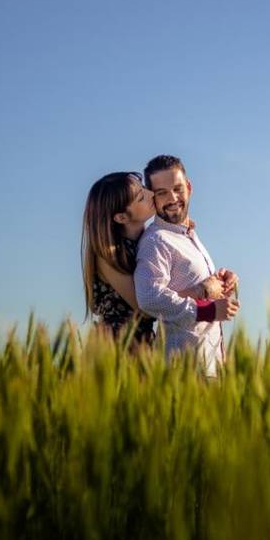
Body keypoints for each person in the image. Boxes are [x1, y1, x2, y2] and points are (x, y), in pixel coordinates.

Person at [80, 171, 225, 345]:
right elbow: (146, 305)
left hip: (144, 342)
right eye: (141, 197)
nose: (151, 194)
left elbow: (164, 289)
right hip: (118, 346)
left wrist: (217, 280)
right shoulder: (108, 256)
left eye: (144, 189)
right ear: (122, 217)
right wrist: (201, 290)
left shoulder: (147, 242)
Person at [134, 155, 240, 376]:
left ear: (189, 187)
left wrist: (221, 279)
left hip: (210, 367)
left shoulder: (188, 236)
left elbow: (196, 285)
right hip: (183, 371)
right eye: (162, 193)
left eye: (177, 188)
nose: (172, 198)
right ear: (153, 197)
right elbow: (149, 297)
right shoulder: (156, 240)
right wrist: (208, 310)